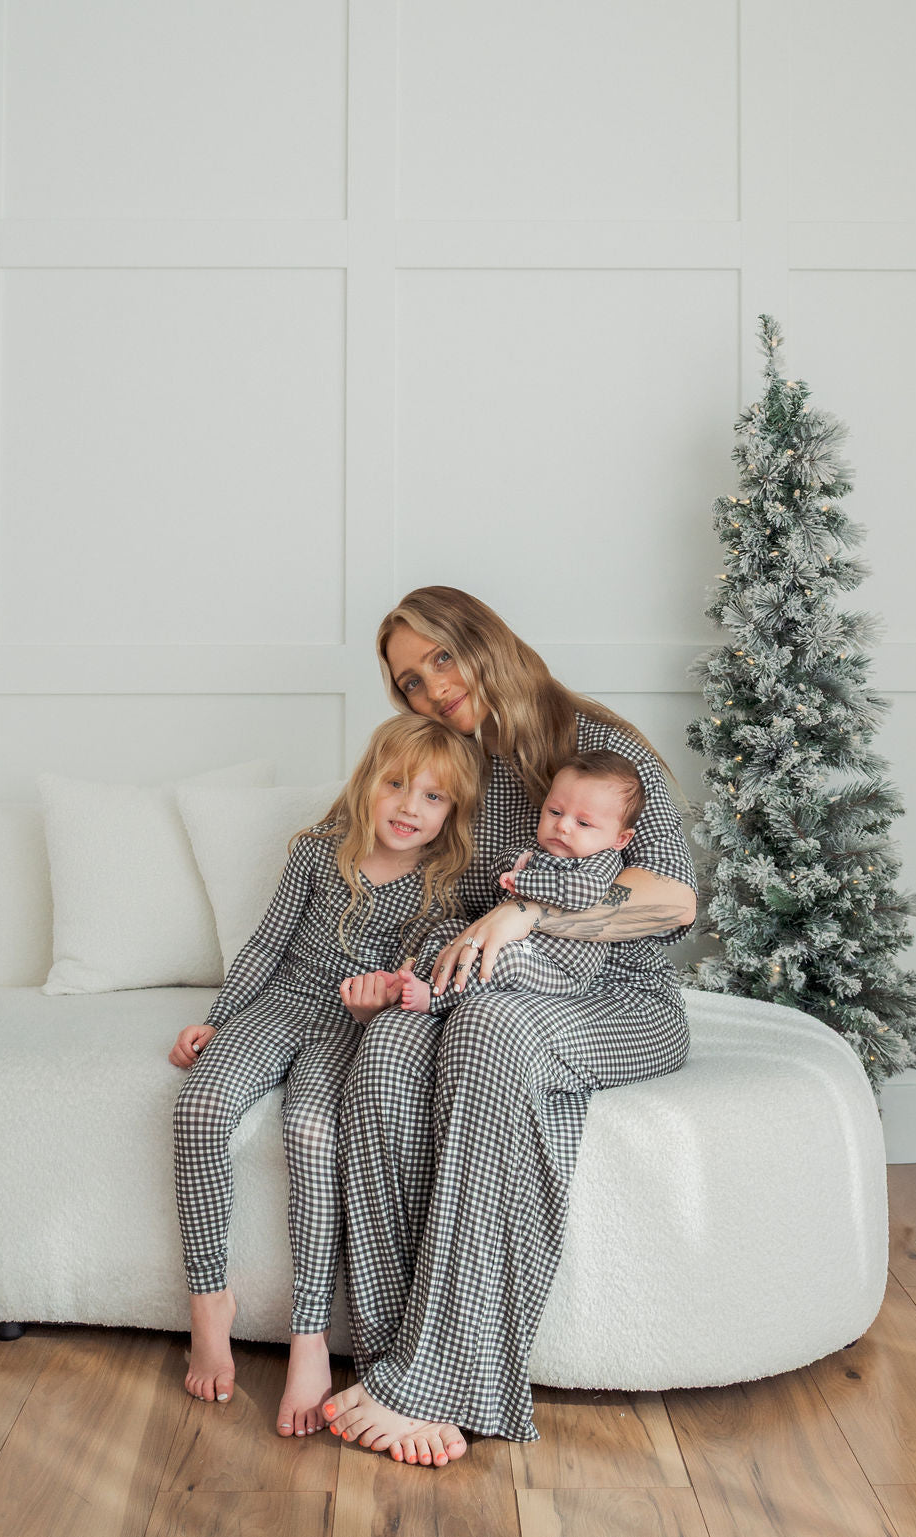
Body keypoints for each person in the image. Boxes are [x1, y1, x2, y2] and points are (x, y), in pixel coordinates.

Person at [324, 587, 697, 1466]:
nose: (432, 689)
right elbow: (449, 901)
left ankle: (446, 1371)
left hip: (620, 1002)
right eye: (409, 682)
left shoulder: (600, 748)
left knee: (491, 1032)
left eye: (441, 659)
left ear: (482, 641)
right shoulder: (462, 769)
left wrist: (532, 911)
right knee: (385, 1052)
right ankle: (399, 1366)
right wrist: (401, 977)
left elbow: (674, 902)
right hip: (490, 983)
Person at [168, 713, 480, 1447]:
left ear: (453, 813)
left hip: (352, 1029)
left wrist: (383, 999)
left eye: (433, 798)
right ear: (369, 781)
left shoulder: (444, 885)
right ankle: (209, 1302)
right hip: (283, 1001)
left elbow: (425, 979)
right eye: (397, 784)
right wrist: (217, 1018)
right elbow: (267, 944)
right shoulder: (319, 853)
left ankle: (309, 1334)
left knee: (313, 1132)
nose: (409, 806)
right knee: (200, 1105)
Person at [391, 749, 646, 1015]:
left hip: (558, 968)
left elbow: (583, 891)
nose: (563, 826)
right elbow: (498, 875)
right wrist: (515, 860)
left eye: (583, 823)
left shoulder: (601, 860)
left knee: (508, 960)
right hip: (511, 941)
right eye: (555, 812)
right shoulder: (539, 848)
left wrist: (524, 880)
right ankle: (412, 980)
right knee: (451, 930)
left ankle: (435, 1001)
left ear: (621, 839)